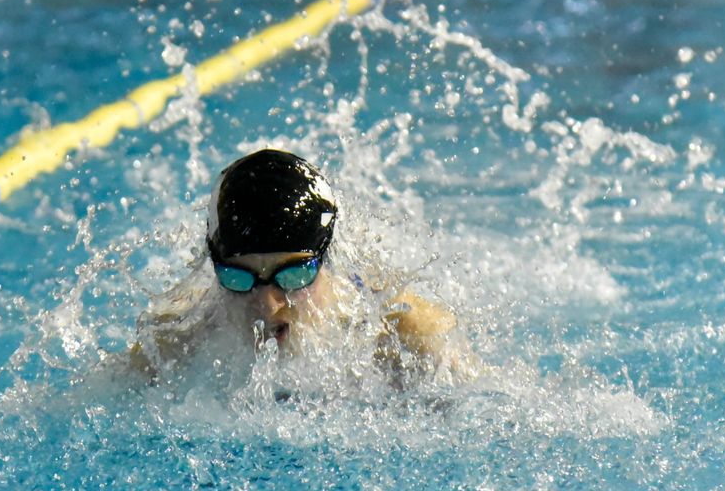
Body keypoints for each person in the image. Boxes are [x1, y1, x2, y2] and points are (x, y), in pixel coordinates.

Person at [128, 149, 474, 388]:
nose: (266, 306)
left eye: (292, 276)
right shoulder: (173, 341)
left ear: (329, 259)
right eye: (238, 277)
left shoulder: (406, 335)